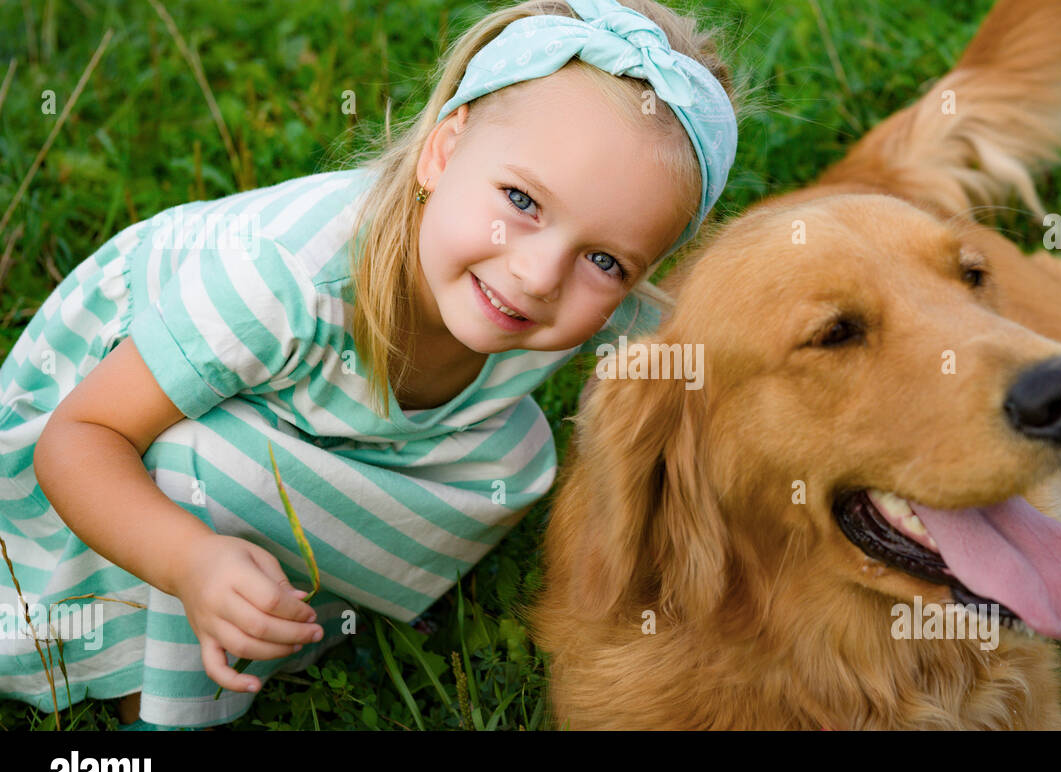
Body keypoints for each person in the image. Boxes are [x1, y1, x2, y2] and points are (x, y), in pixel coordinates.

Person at [0, 0, 739, 729]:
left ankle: (288, 599)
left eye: (605, 261)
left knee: (514, 456)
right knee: (206, 465)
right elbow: (81, 438)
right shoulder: (277, 279)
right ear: (442, 151)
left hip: (312, 421)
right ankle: (161, 686)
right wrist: (186, 559)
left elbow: (726, 368)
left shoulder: (558, 297)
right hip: (108, 441)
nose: (540, 275)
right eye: (522, 200)